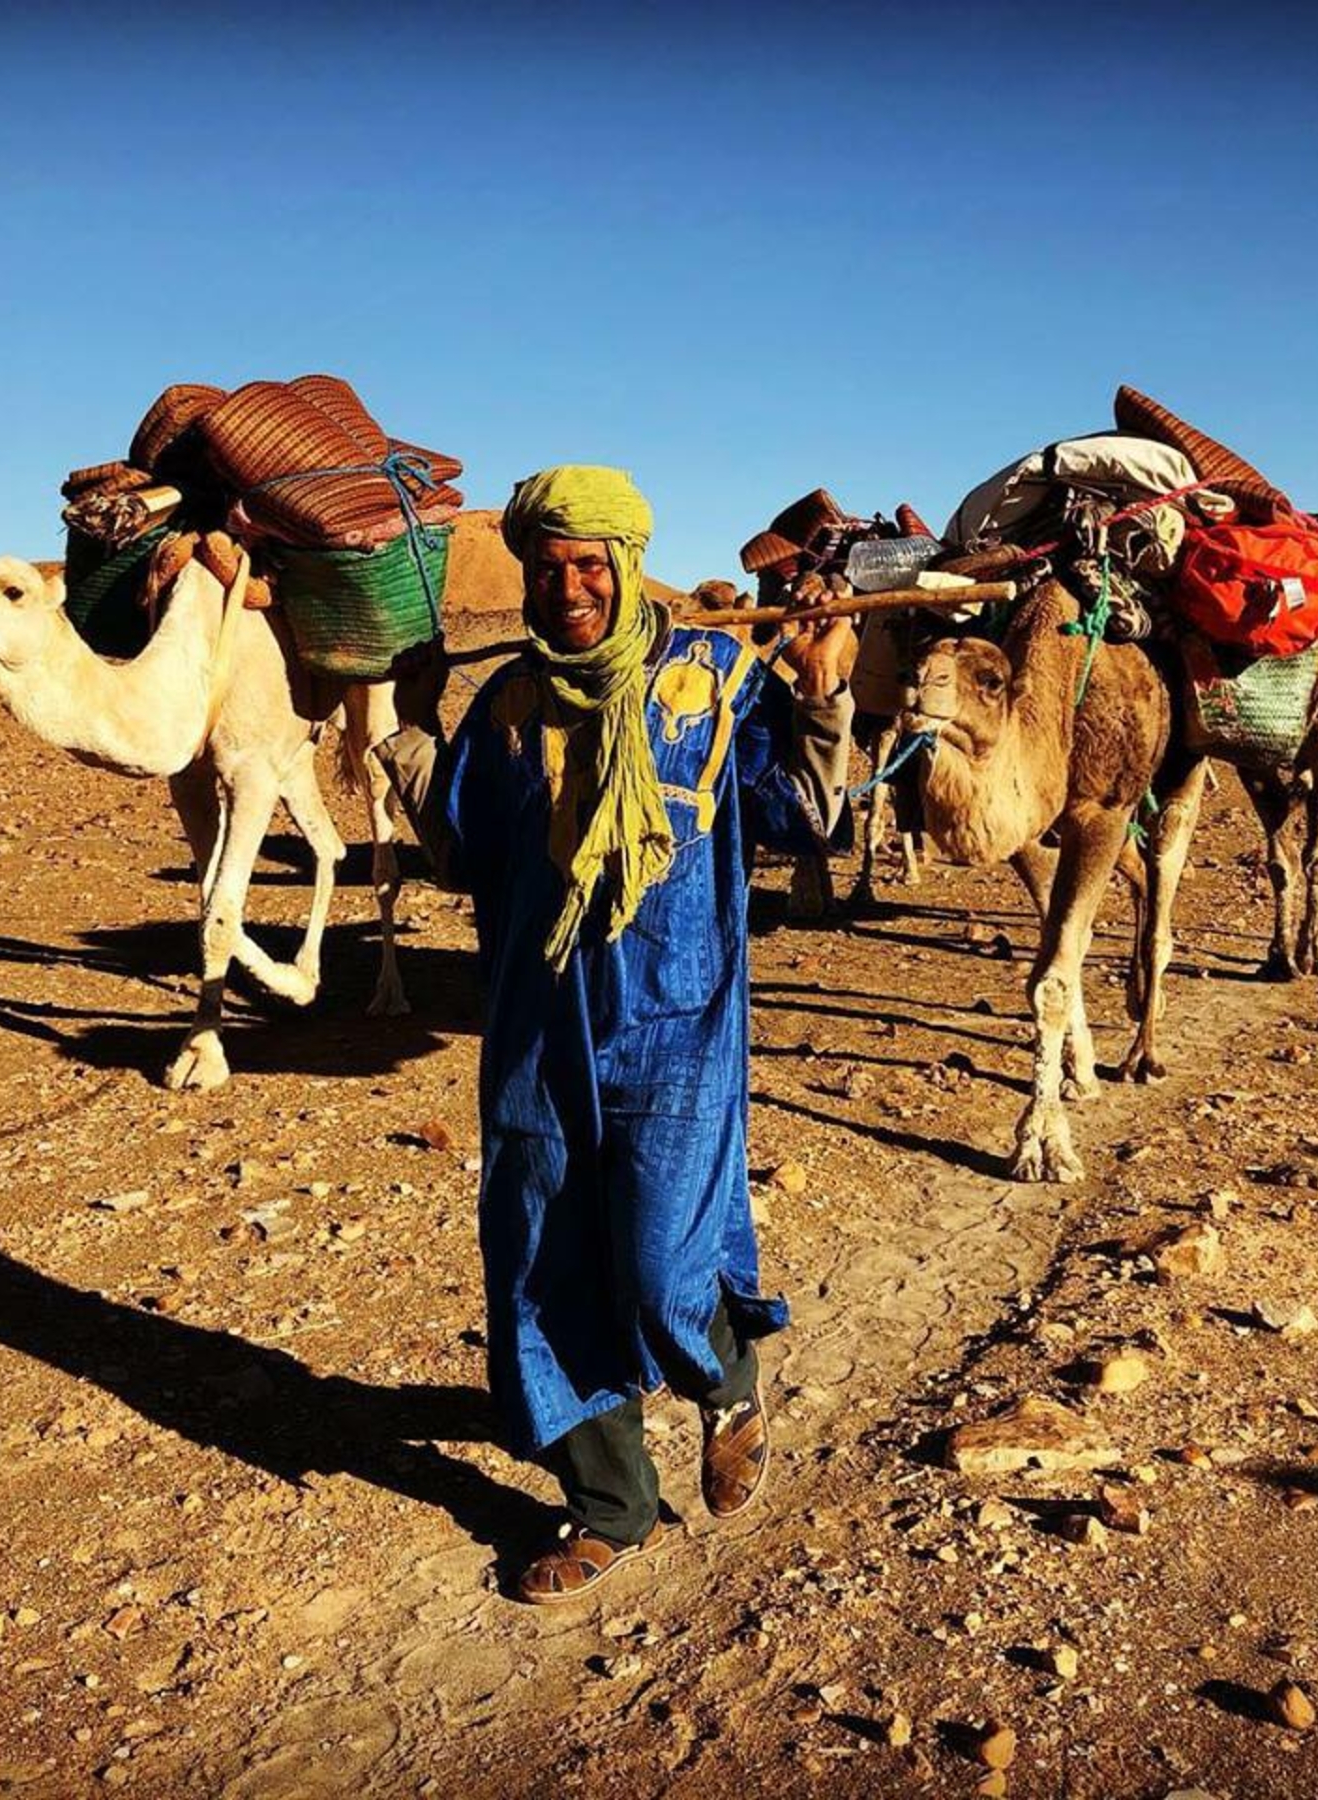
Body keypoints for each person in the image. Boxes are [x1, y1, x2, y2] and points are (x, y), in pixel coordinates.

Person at [373, 465, 853, 1602]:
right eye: (548, 571)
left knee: (659, 1260)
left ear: (626, 566)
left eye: (589, 566)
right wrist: (411, 726)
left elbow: (804, 814)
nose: (569, 589)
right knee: (542, 1260)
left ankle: (725, 1383)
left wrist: (823, 690)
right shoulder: (507, 706)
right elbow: (461, 852)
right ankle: (609, 1506)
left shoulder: (714, 680)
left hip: (676, 1017)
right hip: (537, 1026)